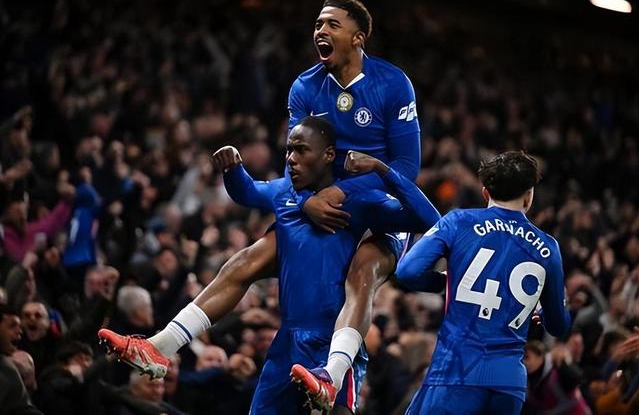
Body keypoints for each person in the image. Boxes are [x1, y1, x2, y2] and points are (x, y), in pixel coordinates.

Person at [99, 0, 422, 405]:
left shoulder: (392, 84)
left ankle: (332, 374)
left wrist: (344, 191)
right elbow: (297, 156)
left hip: (375, 208)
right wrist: (304, 202)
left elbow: (407, 167)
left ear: (358, 38)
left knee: (362, 272)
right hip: (319, 205)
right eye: (318, 24)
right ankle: (161, 346)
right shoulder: (305, 86)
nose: (320, 31)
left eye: (332, 24)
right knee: (247, 259)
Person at [104, 116, 437, 413]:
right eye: (289, 150)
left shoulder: (359, 201)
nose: (291, 158)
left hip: (333, 343)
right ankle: (161, 346)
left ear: (328, 155)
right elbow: (247, 192)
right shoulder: (285, 193)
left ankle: (332, 374)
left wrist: (382, 171)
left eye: (301, 150)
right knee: (241, 262)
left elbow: (428, 220)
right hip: (287, 341)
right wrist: (233, 171)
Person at [394, 151, 572, 415]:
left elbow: (407, 272)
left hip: (457, 372)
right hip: (509, 385)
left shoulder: (459, 222)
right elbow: (558, 326)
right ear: (528, 196)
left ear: (485, 192)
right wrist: (545, 313)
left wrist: (444, 283)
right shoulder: (548, 247)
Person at [0, 303, 43, 414]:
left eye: (19, 326)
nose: (20, 331)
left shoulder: (8, 367)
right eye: (12, 326)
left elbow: (22, 408)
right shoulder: (6, 368)